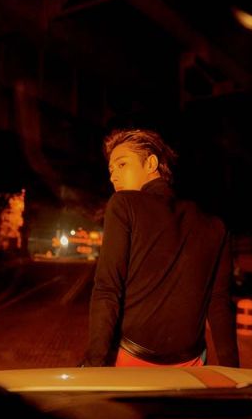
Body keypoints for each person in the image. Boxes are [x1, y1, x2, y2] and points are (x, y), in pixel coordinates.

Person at [81, 128, 239, 367]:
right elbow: (219, 303)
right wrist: (232, 371)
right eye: (111, 170)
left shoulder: (123, 205)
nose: (113, 176)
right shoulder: (215, 226)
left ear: (151, 164)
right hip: (192, 365)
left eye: (122, 164)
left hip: (132, 363)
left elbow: (107, 289)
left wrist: (95, 364)